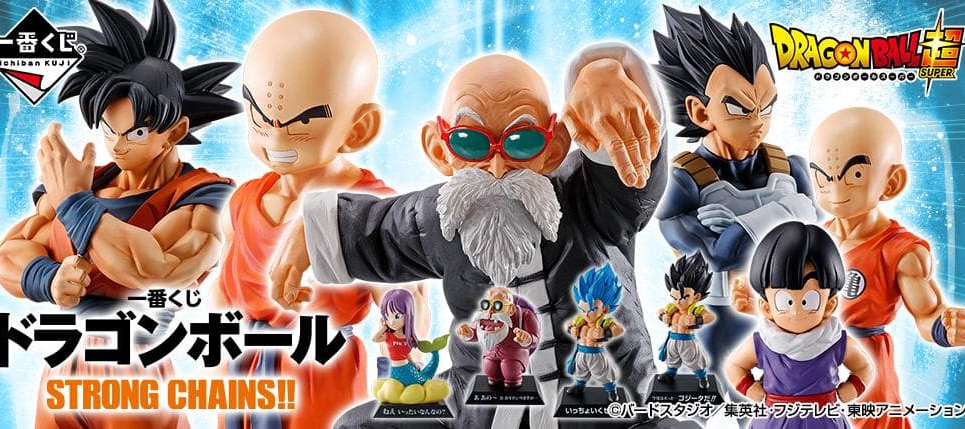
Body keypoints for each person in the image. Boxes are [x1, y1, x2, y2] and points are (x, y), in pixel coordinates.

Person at [269, 42, 669, 428]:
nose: (497, 168)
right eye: (469, 142)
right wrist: (310, 231)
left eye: (522, 142)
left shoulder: (592, 198)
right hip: (478, 409)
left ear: (554, 146)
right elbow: (380, 231)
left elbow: (632, 171)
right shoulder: (442, 217)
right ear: (438, 150)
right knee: (358, 426)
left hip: (609, 407)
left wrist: (604, 76)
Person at [0, 1, 240, 427]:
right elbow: (7, 256)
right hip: (63, 368)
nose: (118, 145)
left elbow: (154, 269)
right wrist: (48, 279)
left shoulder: (204, 196)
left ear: (175, 132)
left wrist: (74, 203)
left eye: (136, 132)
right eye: (108, 129)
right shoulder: (89, 179)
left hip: (135, 370)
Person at [207, 10, 427, 429]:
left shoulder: (372, 209)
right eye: (259, 116)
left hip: (321, 372)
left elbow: (401, 301)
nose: (275, 138)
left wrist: (402, 356)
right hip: (243, 373)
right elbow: (222, 293)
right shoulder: (244, 201)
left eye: (302, 122)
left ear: (359, 129)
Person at [652, 6, 818, 389]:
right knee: (725, 398)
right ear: (700, 112)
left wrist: (743, 227)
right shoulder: (681, 183)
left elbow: (816, 242)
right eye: (740, 108)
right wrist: (788, 210)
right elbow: (718, 256)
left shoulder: (790, 167)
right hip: (722, 319)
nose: (758, 121)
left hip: (789, 315)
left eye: (767, 105)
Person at [808, 107, 965, 429]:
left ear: (891, 182)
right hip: (812, 362)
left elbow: (927, 313)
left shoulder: (901, 251)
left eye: (854, 175)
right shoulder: (813, 240)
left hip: (867, 366)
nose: (835, 190)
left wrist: (945, 328)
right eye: (822, 177)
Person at [727, 221, 873, 429]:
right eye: (785, 301)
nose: (796, 311)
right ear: (766, 307)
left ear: (829, 305)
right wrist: (749, 388)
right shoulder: (762, 342)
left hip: (823, 418)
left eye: (809, 301)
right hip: (775, 418)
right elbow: (734, 365)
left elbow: (864, 367)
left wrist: (854, 387)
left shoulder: (836, 341)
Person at [372, 289, 450, 404]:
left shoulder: (409, 338)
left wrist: (414, 364)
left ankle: (434, 354)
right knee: (394, 387)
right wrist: (383, 328)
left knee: (419, 381)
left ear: (408, 314)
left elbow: (406, 354)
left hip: (407, 369)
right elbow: (374, 339)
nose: (392, 322)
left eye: (397, 316)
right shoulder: (388, 336)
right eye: (387, 317)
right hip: (395, 370)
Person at [456, 287, 539, 389]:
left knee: (510, 370)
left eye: (497, 306)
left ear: (511, 309)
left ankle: (512, 386)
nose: (490, 311)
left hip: (514, 354)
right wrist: (469, 334)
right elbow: (478, 334)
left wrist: (527, 339)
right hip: (491, 353)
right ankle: (495, 384)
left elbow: (535, 338)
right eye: (486, 304)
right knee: (490, 369)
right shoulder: (485, 317)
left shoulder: (525, 315)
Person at [565, 264, 626, 402]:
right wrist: (571, 329)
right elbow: (568, 324)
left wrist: (606, 333)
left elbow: (619, 329)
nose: (586, 314)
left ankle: (611, 390)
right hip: (581, 352)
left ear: (605, 309)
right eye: (583, 309)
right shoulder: (581, 320)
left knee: (603, 373)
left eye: (591, 310)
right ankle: (579, 386)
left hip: (596, 354)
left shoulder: (603, 322)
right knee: (580, 371)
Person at [656, 254, 715, 390]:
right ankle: (670, 373)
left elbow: (710, 317)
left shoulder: (695, 309)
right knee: (671, 358)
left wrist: (697, 320)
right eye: (674, 297)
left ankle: (702, 377)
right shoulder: (672, 308)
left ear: (697, 296)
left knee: (694, 360)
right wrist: (663, 316)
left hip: (687, 340)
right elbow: (659, 311)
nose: (677, 302)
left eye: (683, 298)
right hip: (672, 339)